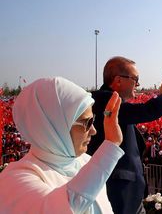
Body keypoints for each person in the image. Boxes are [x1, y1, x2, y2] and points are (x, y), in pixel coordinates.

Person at [87, 52, 162, 214]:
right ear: (118, 80)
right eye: (135, 80)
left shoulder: (111, 103)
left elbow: (133, 114)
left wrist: (159, 96)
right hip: (119, 195)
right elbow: (146, 111)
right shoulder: (106, 101)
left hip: (127, 192)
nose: (138, 85)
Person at [0, 77, 123, 213]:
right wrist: (110, 147)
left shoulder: (87, 162)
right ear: (53, 126)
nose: (93, 131)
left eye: (93, 119)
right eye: (87, 122)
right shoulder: (14, 179)